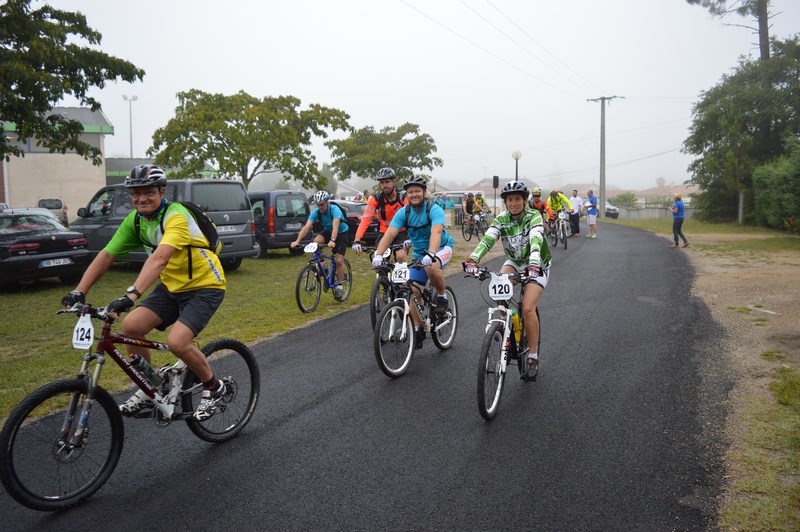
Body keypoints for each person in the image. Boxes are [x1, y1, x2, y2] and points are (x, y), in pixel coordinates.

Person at [61, 165, 227, 421]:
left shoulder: (176, 216)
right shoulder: (136, 221)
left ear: (162, 191)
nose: (141, 198)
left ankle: (214, 388)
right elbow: (107, 255)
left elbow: (159, 259)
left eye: (148, 191)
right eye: (136, 193)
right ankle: (152, 387)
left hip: (205, 286)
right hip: (171, 286)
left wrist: (132, 295)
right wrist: (78, 291)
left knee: (177, 342)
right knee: (132, 326)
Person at [464, 181, 552, 381]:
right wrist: (473, 260)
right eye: (510, 200)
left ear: (524, 200)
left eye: (518, 199)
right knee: (498, 292)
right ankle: (506, 329)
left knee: (528, 308)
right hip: (514, 261)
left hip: (537, 264)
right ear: (505, 202)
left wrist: (534, 264)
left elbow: (536, 240)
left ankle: (532, 356)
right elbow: (488, 239)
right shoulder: (501, 219)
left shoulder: (534, 216)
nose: (514, 203)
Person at [371, 175, 454, 348]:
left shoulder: (434, 209)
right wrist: (379, 254)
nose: (414, 194)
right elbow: (390, 233)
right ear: (406, 195)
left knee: (431, 266)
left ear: (424, 192)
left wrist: (431, 253)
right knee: (412, 290)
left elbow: (437, 233)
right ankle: (418, 328)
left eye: (417, 191)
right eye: (410, 192)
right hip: (418, 254)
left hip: (441, 248)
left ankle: (442, 296)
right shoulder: (404, 212)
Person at [291, 191, 350, 300]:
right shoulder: (316, 212)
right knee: (315, 242)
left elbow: (335, 226)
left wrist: (332, 240)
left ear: (327, 202)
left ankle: (340, 286)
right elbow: (306, 227)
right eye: (318, 205)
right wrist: (297, 240)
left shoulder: (334, 210)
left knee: (338, 261)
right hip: (328, 231)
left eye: (322, 204)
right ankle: (323, 265)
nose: (321, 207)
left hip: (341, 232)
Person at [352, 167, 407, 262]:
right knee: (379, 261)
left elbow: (413, 217)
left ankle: (405, 275)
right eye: (382, 183)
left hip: (401, 232)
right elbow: (366, 219)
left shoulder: (403, 197)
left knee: (400, 257)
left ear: (394, 182)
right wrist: (357, 240)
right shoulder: (376, 199)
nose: (384, 185)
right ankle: (382, 277)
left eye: (387, 182)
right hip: (384, 232)